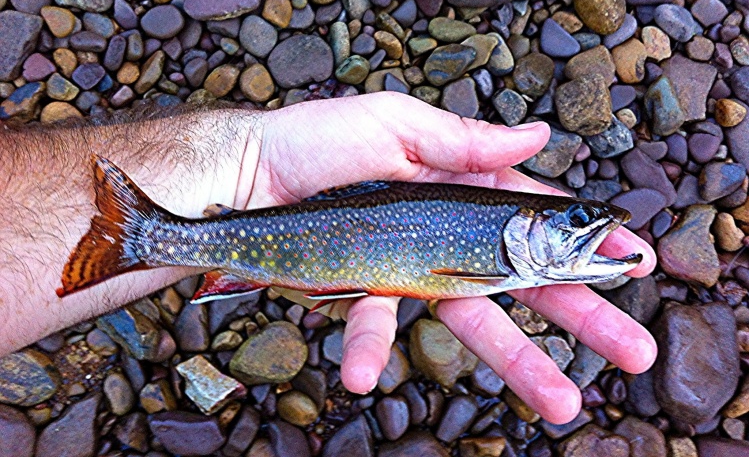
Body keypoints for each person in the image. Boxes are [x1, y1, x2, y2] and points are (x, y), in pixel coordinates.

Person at [0, 92, 656, 424]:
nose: (586, 231)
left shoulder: (501, 255)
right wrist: (248, 158)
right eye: (572, 221)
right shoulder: (491, 264)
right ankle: (147, 235)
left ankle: (146, 234)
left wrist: (244, 155)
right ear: (528, 223)